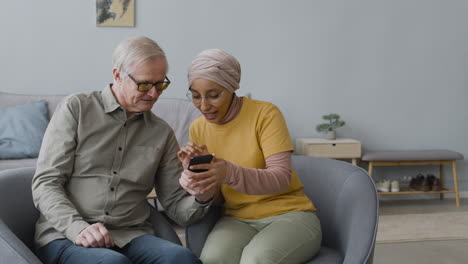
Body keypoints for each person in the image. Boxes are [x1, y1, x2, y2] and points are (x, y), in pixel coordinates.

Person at [32, 36, 209, 264]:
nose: (154, 94)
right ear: (117, 75)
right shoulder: (77, 109)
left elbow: (176, 206)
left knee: (182, 258)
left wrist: (202, 195)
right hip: (66, 235)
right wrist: (78, 228)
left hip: (131, 235)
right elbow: (46, 182)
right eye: (145, 84)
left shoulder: (161, 132)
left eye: (160, 84)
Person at [177, 49, 322, 264]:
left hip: (289, 215)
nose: (204, 106)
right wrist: (201, 185)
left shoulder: (266, 114)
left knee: (256, 260)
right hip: (236, 219)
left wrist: (228, 172)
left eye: (214, 95)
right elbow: (218, 199)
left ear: (232, 87)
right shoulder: (198, 128)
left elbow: (281, 178)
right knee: (211, 260)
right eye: (196, 96)